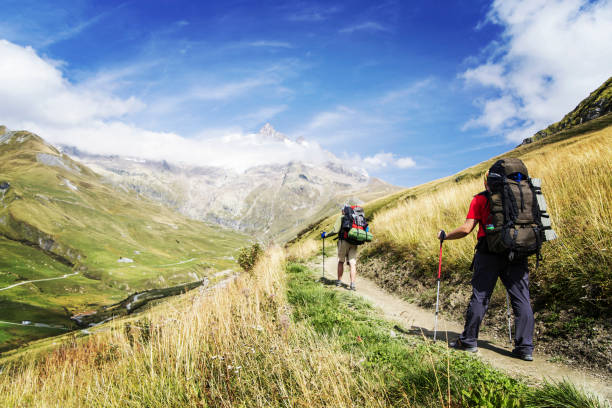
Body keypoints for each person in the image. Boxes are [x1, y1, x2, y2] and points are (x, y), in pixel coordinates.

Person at [438, 171, 535, 361]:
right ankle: (525, 348)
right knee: (522, 299)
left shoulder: (480, 199)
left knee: (481, 296)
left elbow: (467, 229)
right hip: (518, 253)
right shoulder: (524, 195)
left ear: (486, 182)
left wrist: (445, 236)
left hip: (488, 254)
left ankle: (468, 341)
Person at [321, 206, 359, 290]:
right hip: (355, 242)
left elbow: (335, 231)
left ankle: (339, 281)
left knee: (341, 261)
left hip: (344, 242)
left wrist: (325, 235)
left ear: (343, 211)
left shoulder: (342, 217)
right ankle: (352, 284)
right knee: (352, 263)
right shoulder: (356, 218)